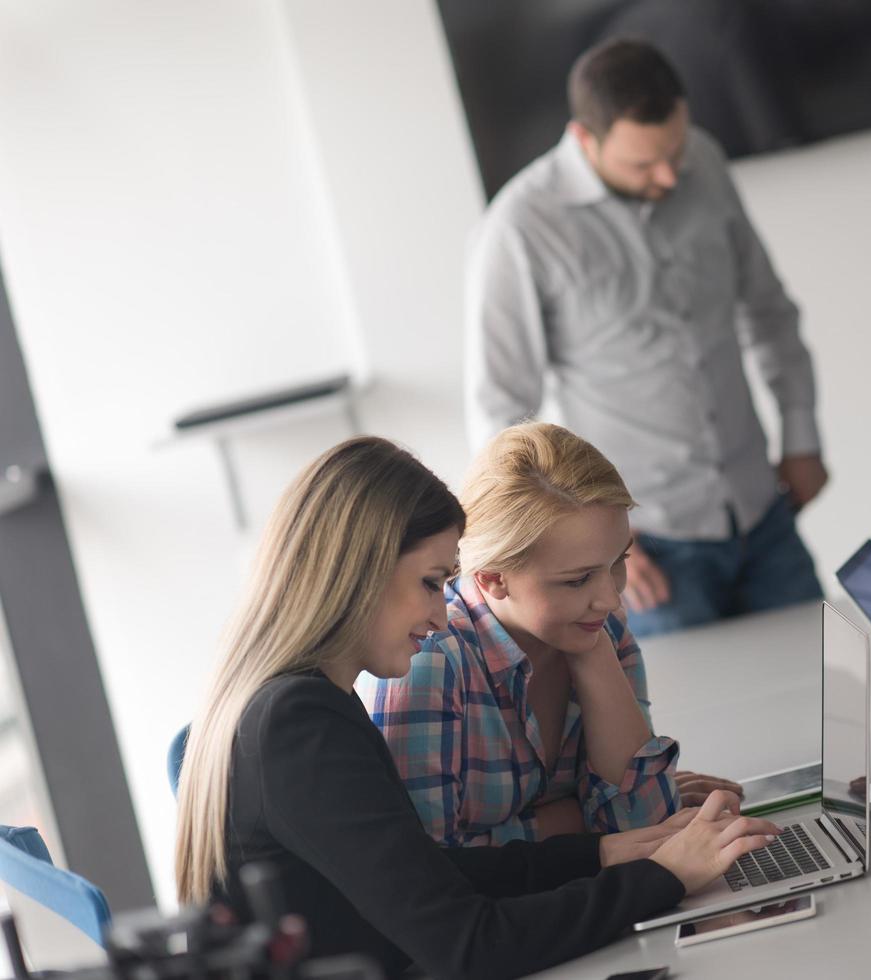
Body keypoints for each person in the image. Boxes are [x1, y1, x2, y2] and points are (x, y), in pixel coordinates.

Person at [174, 436, 779, 980]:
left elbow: (432, 877)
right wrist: (663, 878)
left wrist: (602, 853)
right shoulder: (299, 724)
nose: (440, 616)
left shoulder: (299, 700)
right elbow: (470, 946)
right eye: (432, 582)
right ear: (358, 572)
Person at [465, 37, 825, 637]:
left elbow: (768, 310)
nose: (667, 175)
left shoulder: (702, 161)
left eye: (674, 152)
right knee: (698, 724)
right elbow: (500, 414)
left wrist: (802, 436)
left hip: (764, 513)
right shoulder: (520, 229)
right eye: (642, 164)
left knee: (832, 694)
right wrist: (586, 548)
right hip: (645, 552)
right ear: (585, 139)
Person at [373, 422, 741, 846]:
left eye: (617, 561)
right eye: (578, 579)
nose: (610, 599)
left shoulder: (600, 631)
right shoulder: (429, 662)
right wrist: (583, 819)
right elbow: (432, 867)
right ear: (493, 578)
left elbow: (646, 826)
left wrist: (594, 656)